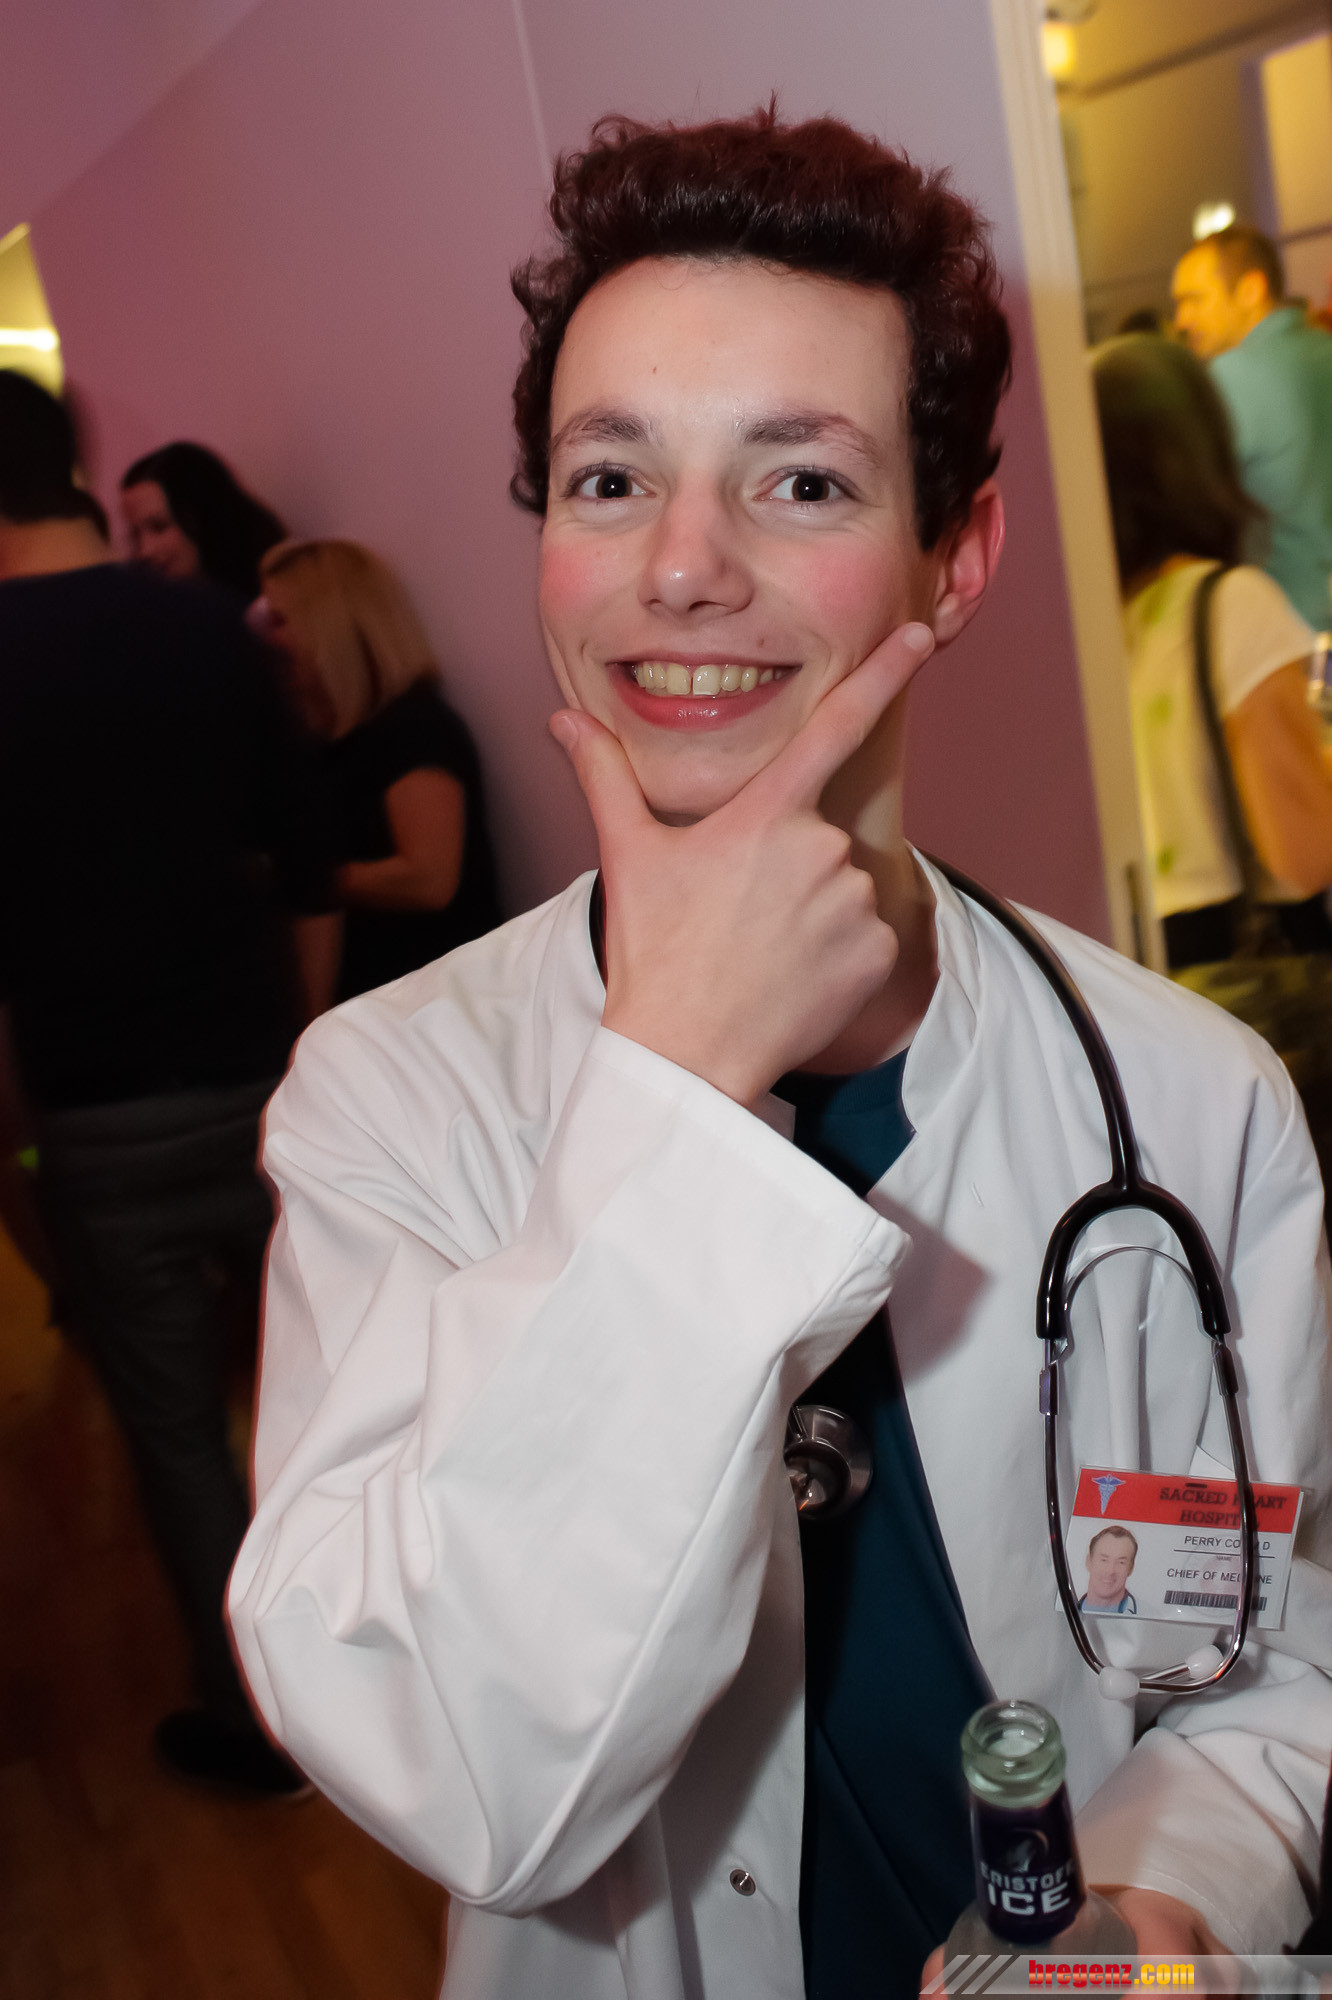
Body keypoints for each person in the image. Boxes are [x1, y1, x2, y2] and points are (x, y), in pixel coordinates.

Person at [228, 111, 1332, 1993]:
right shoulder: (387, 1098)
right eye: (609, 479)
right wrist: (673, 1083)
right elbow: (467, 1773)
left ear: (955, 557)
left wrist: (1169, 1890)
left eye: (801, 482)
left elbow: (1271, 1653)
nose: (679, 569)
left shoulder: (1191, 1098)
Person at [0, 369, 339, 1797]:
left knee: (180, 1435)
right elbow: (311, 864)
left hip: (97, 1116)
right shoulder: (209, 627)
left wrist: (17, 1157)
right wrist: (306, 1055)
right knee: (338, 1386)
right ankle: (399, 1675)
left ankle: (260, 1727)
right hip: (262, 1078)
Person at [1091, 332, 1332, 969]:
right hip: (1260, 970)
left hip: (1155, 970)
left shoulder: (1098, 630)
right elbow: (1303, 854)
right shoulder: (1231, 607)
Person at [257, 538, 501, 998]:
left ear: (326, 626)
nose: (265, 640)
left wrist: (300, 876)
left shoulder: (414, 728)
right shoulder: (324, 740)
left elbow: (429, 880)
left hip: (431, 1002)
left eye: (279, 620)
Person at [1172, 225, 1332, 630]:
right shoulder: (1324, 351)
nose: (1182, 319)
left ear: (1250, 290)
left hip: (1292, 629)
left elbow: (1185, 509)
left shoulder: (1231, 375)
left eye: (1194, 300)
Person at [120, 440, 286, 604]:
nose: (145, 551)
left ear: (203, 517)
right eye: (135, 535)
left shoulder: (272, 604)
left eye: (159, 527)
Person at [1078, 1527, 1138, 1615]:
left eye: (1121, 1562)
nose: (1110, 1571)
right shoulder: (1064, 1607)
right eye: (1104, 1560)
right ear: (1088, 1562)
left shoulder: (1150, 1615)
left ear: (1131, 1568)